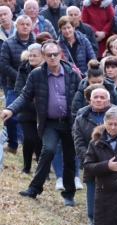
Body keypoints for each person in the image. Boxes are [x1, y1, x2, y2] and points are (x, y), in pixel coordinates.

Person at [2, 41, 81, 206]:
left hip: (69, 122)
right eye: (49, 55)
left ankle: (69, 194)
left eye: (56, 54)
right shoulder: (37, 74)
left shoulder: (72, 73)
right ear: (43, 57)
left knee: (69, 158)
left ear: (60, 55)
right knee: (48, 150)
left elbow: (81, 97)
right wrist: (10, 110)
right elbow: (24, 96)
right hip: (49, 122)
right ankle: (34, 188)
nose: (53, 58)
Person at [74, 87, 113, 225]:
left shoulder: (116, 117)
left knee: (112, 208)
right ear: (90, 100)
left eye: (102, 97)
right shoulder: (81, 118)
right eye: (95, 97)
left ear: (108, 101)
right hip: (91, 170)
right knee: (93, 210)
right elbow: (78, 143)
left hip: (113, 170)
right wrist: (93, 160)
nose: (98, 100)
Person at [0, 15, 34, 156]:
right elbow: (4, 65)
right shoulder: (8, 43)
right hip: (13, 86)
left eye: (27, 24)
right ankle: (13, 143)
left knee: (33, 117)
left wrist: (31, 78)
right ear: (17, 26)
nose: (25, 26)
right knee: (11, 117)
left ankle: (33, 146)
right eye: (22, 24)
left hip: (34, 86)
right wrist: (21, 78)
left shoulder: (36, 43)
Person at [15, 44, 43, 174]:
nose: (32, 58)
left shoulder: (47, 71)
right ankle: (26, 166)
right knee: (29, 138)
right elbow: (19, 91)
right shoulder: (23, 70)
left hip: (43, 113)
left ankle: (42, 168)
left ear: (42, 57)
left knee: (40, 140)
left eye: (35, 55)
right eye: (30, 55)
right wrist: (35, 105)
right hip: (26, 111)